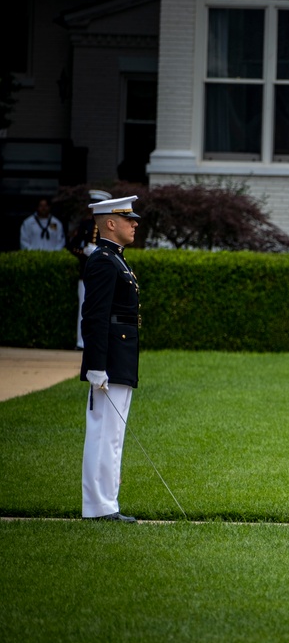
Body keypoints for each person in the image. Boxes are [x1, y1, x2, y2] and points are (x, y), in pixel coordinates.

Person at [80, 195, 142, 522]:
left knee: (113, 435)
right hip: (110, 360)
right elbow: (95, 317)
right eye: (129, 219)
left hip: (120, 357)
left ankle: (106, 503)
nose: (135, 224)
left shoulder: (116, 258)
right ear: (110, 223)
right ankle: (99, 506)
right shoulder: (104, 260)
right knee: (105, 434)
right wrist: (95, 365)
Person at [68, 190, 113, 350]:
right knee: (83, 307)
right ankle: (81, 343)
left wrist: (99, 251)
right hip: (86, 272)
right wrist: (83, 252)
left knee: (102, 308)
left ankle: (98, 342)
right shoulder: (85, 225)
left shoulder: (109, 226)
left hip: (102, 274)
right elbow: (72, 245)